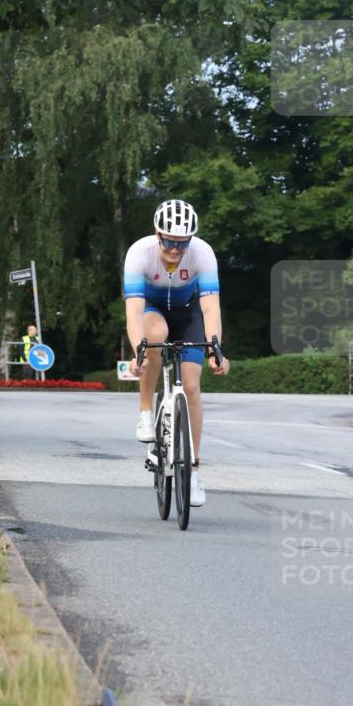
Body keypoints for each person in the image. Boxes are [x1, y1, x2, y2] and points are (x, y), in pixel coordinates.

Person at [124, 199, 230, 507]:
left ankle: (193, 470)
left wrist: (215, 347)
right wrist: (138, 351)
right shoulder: (138, 253)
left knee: (193, 386)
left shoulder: (203, 253)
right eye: (169, 241)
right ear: (157, 234)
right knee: (153, 338)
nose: (175, 249)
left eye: (182, 243)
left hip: (188, 313)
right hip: (153, 311)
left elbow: (210, 306)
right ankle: (146, 411)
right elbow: (133, 311)